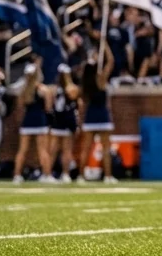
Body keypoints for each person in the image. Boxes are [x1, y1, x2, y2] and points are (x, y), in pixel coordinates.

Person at [79, 41, 118, 183]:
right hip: (102, 115)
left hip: (90, 116)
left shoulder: (85, 83)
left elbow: (83, 103)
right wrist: (105, 44)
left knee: (86, 148)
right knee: (106, 148)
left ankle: (81, 176)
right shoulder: (100, 78)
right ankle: (108, 176)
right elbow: (111, 61)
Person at [12, 62, 54, 183]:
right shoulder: (43, 89)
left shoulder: (24, 90)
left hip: (27, 121)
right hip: (40, 121)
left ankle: (17, 175)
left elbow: (20, 107)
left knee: (22, 150)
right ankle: (47, 175)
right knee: (43, 150)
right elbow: (48, 107)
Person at [48, 65, 79, 183]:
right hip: (64, 120)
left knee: (55, 149)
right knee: (64, 149)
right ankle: (63, 173)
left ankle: (50, 173)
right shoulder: (68, 88)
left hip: (58, 121)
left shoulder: (54, 88)